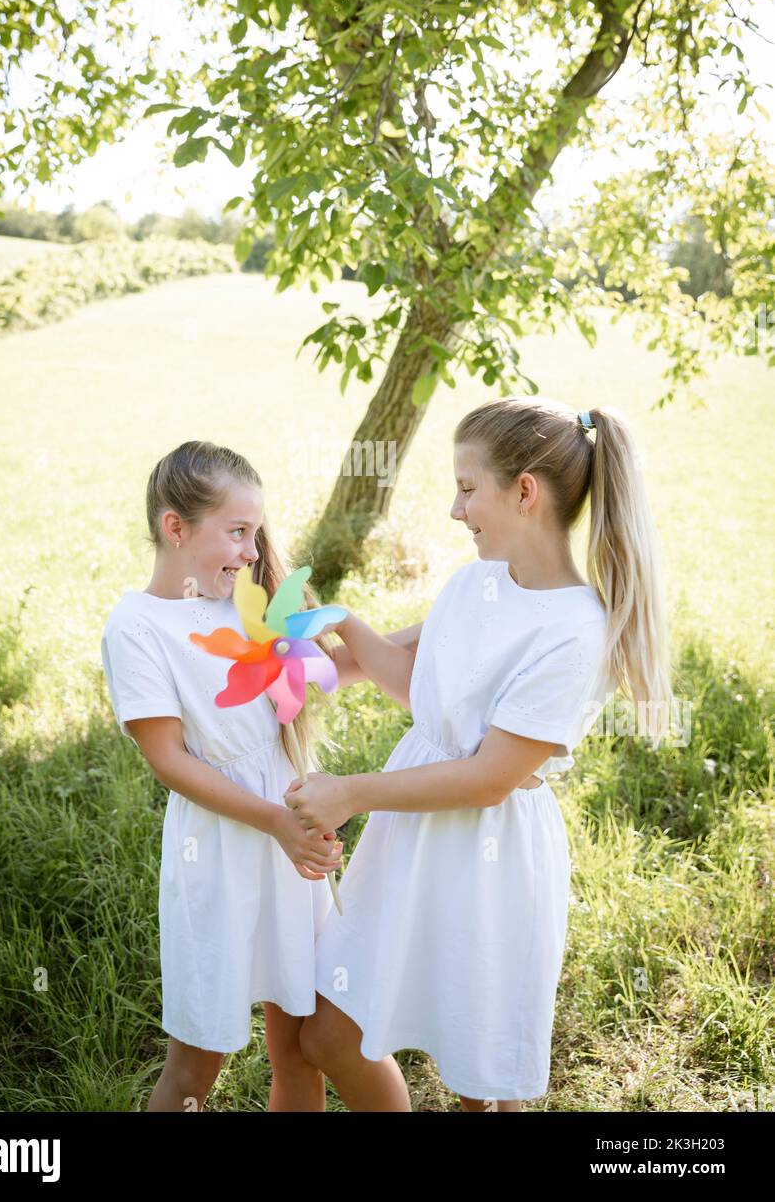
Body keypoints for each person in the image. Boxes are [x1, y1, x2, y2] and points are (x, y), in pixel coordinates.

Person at [285, 397, 674, 1112]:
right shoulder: (475, 584)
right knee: (330, 1036)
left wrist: (350, 792)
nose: (455, 509)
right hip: (411, 837)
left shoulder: (575, 631)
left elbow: (491, 778)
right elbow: (426, 695)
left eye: (467, 488)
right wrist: (337, 619)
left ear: (524, 491)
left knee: (480, 1083)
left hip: (488, 857)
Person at [100, 439, 418, 1112]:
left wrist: (445, 631)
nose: (250, 550)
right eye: (237, 532)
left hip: (292, 852)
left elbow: (339, 666)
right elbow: (170, 761)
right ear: (175, 527)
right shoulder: (138, 626)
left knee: (298, 1047)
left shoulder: (246, 605)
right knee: (195, 1065)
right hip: (220, 856)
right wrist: (276, 822)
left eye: (256, 534)